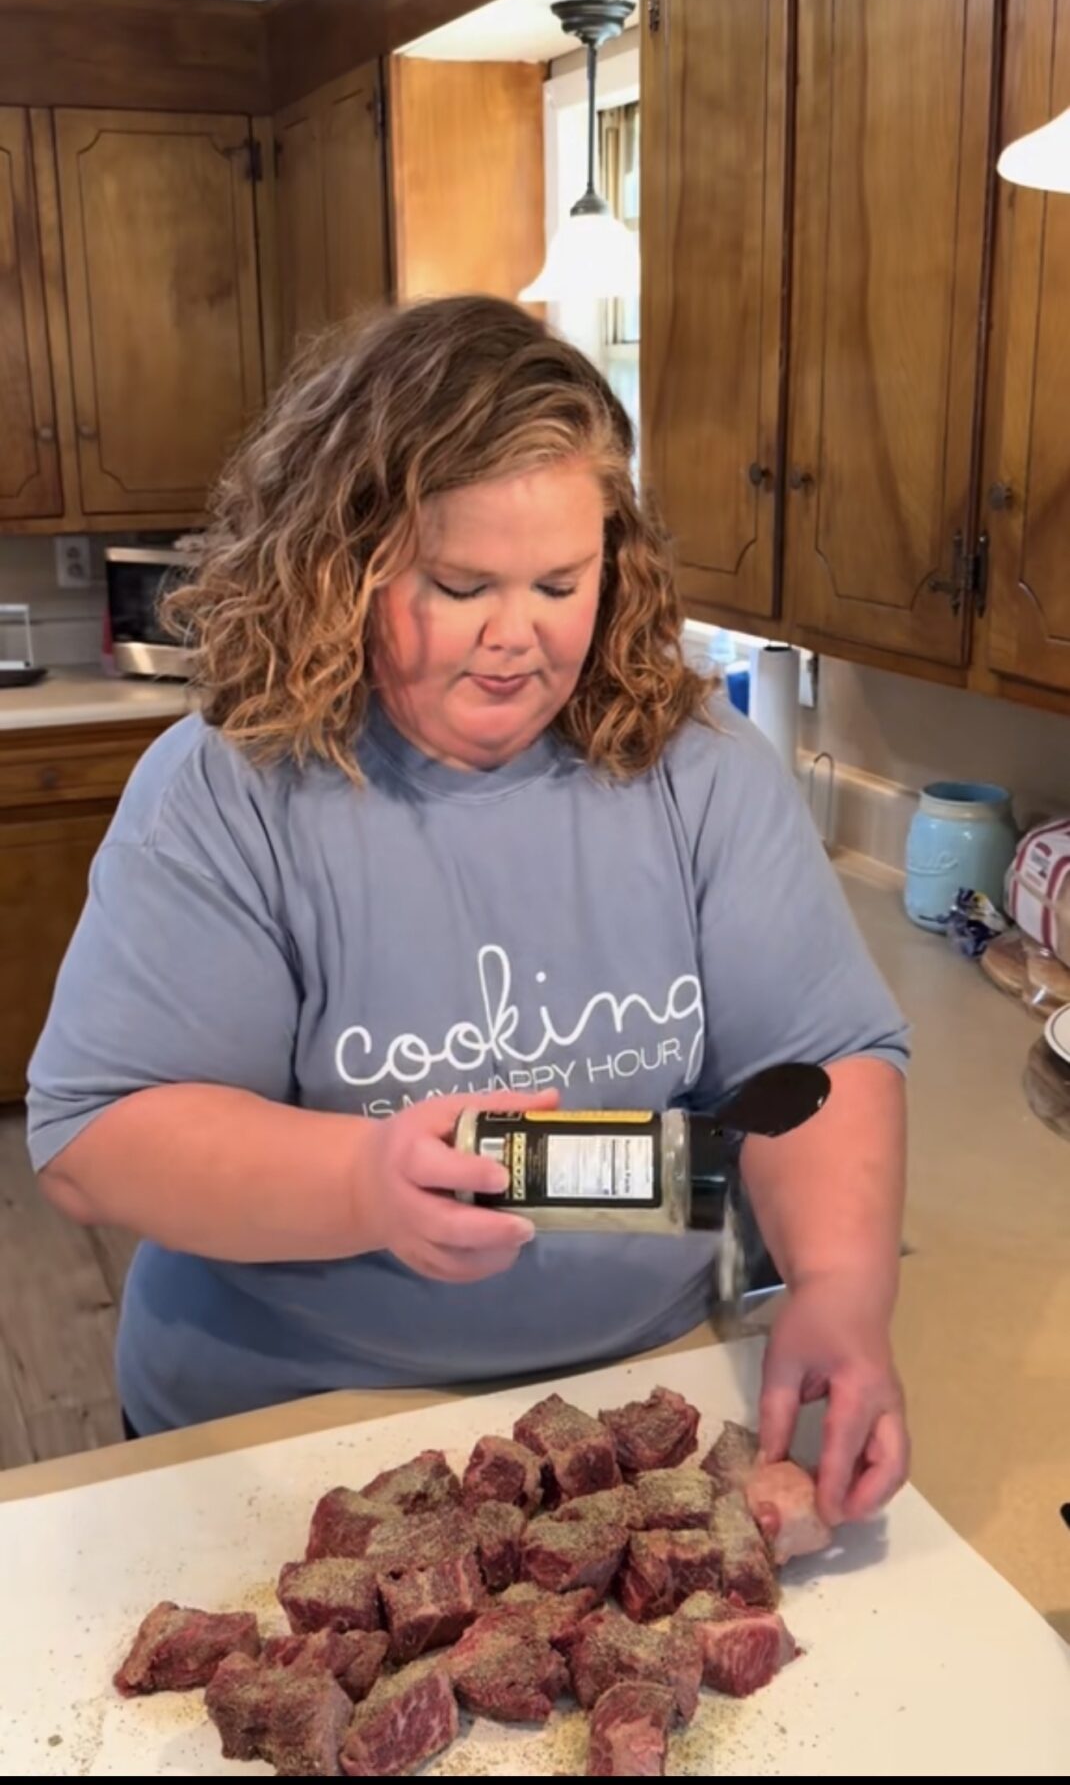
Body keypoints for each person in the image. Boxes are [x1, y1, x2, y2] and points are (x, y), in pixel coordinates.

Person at [28, 296, 909, 1528]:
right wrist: (362, 1183)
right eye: (459, 584)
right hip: (285, 1439)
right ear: (343, 562)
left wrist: (837, 1280)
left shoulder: (696, 768)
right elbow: (95, 1136)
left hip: (627, 1419)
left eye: (561, 579)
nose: (517, 637)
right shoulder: (232, 783)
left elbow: (813, 1067)